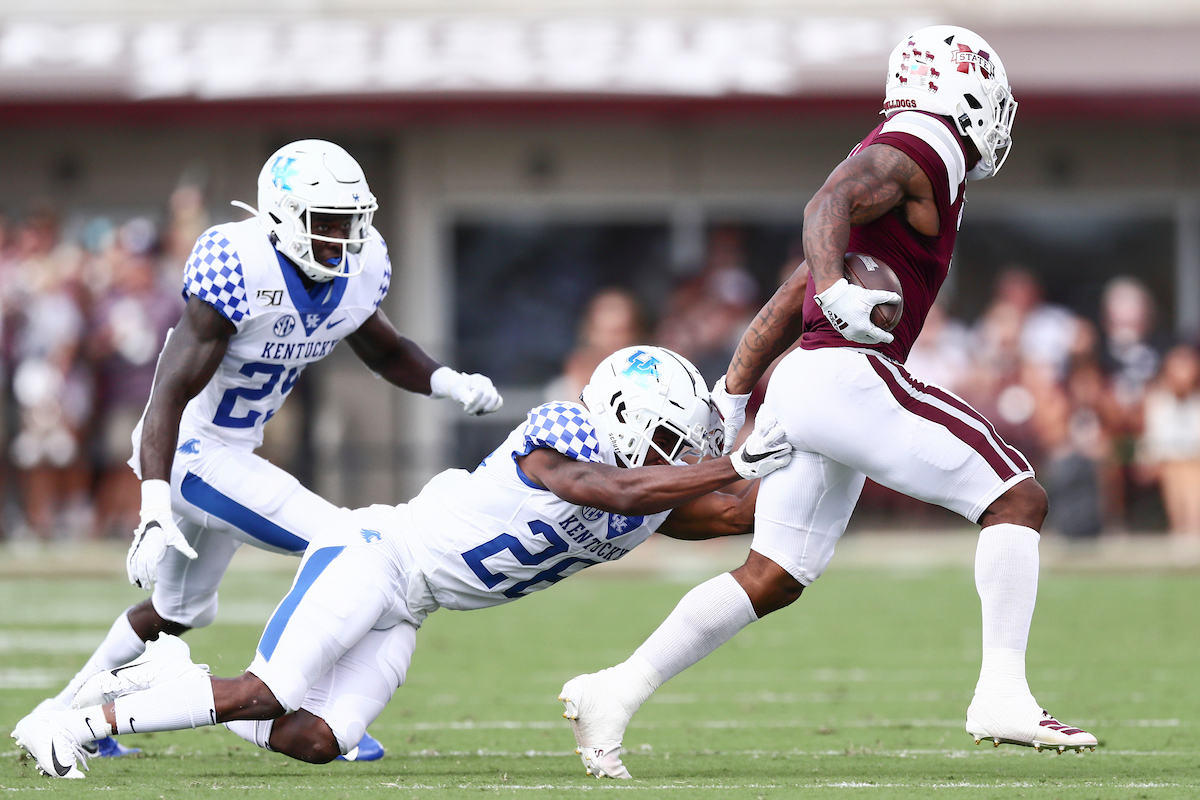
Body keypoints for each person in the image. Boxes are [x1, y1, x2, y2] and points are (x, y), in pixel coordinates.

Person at [557, 26, 1097, 780]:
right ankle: (1001, 692)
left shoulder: (907, 158)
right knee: (1016, 496)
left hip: (815, 380)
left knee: (773, 571)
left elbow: (792, 291)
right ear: (956, 86)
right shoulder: (926, 136)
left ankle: (614, 690)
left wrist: (735, 388)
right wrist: (838, 292)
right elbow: (827, 201)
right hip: (845, 375)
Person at [10, 345, 794, 779]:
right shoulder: (569, 433)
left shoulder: (652, 493)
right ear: (626, 417)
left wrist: (826, 458)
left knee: (315, 740)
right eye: (671, 441)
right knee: (263, 691)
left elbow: (738, 511)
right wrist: (735, 460)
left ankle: (168, 681)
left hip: (411, 608)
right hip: (375, 555)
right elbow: (610, 488)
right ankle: (75, 722)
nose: (685, 457)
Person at [13, 139, 504, 762]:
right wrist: (154, 505)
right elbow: (168, 391)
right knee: (355, 546)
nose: (342, 238)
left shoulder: (358, 269)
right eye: (325, 223)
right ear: (280, 216)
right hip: (188, 451)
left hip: (231, 452)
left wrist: (446, 382)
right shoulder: (237, 262)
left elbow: (381, 345)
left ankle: (62, 714)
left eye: (352, 222)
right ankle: (294, 706)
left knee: (177, 609)